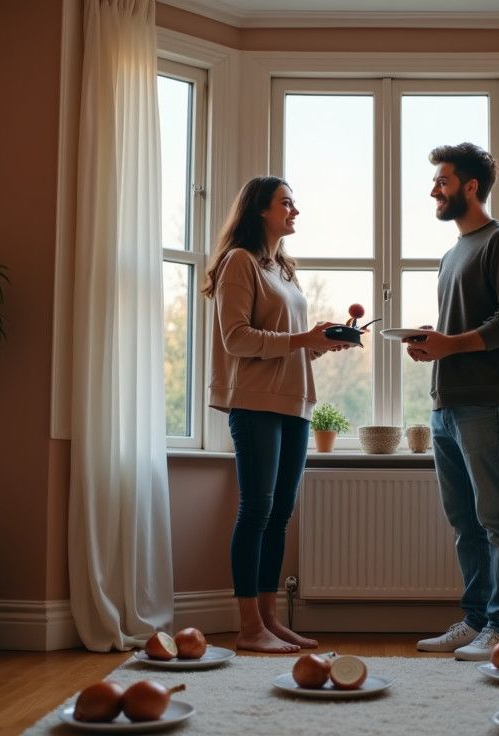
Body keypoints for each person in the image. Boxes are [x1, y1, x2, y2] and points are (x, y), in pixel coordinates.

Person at [203, 176, 351, 653]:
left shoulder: (282, 269)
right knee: (257, 510)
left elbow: (288, 345)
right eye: (286, 203)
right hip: (255, 404)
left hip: (293, 403)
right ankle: (248, 628)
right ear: (260, 210)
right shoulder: (239, 263)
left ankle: (268, 620)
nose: (295, 211)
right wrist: (302, 340)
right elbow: (237, 339)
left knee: (280, 513)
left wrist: (317, 343)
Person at [406, 143, 499, 660]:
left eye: (442, 180)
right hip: (446, 403)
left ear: (471, 186)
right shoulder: (451, 253)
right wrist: (433, 342)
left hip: (486, 402)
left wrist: (451, 344)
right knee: (465, 521)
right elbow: (462, 330)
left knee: (498, 518)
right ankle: (476, 620)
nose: (433, 190)